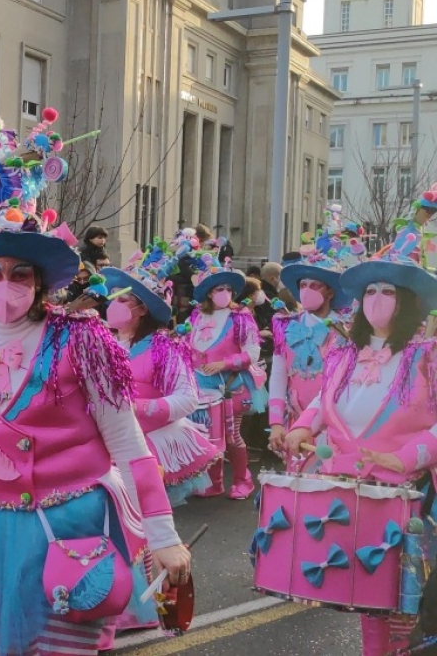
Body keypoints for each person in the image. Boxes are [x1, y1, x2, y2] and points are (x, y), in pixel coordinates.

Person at [0, 116, 190, 656]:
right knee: (2, 646)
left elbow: (128, 444)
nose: (5, 285)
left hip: (73, 525)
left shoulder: (82, 339)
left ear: (39, 283)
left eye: (20, 273)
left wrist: (164, 535)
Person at [277, 222, 437, 655]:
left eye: (388, 291)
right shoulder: (345, 354)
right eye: (370, 291)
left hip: (410, 492)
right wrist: (302, 426)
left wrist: (405, 457)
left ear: (409, 301)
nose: (376, 299)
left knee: (403, 597)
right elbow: (324, 400)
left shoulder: (428, 356)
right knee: (367, 593)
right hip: (349, 484)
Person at [101, 248, 219, 506]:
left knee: (149, 518)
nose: (113, 305)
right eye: (113, 298)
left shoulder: (164, 347)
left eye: (123, 300)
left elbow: (188, 398)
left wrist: (137, 407)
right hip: (107, 444)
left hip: (149, 445)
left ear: (142, 309)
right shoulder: (101, 345)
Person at [267, 213, 362, 455]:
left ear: (329, 292)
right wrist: (276, 423)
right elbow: (278, 376)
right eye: (303, 285)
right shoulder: (285, 326)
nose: (307, 290)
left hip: (333, 426)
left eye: (314, 285)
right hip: (294, 425)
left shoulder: (346, 330)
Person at [185, 253, 267, 500]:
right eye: (219, 289)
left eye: (228, 289)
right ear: (209, 292)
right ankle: (215, 482)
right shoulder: (196, 316)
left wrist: (224, 363)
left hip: (231, 386)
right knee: (207, 437)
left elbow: (252, 352)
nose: (225, 293)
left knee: (232, 436)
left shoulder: (241, 317)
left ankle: (243, 481)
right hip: (200, 387)